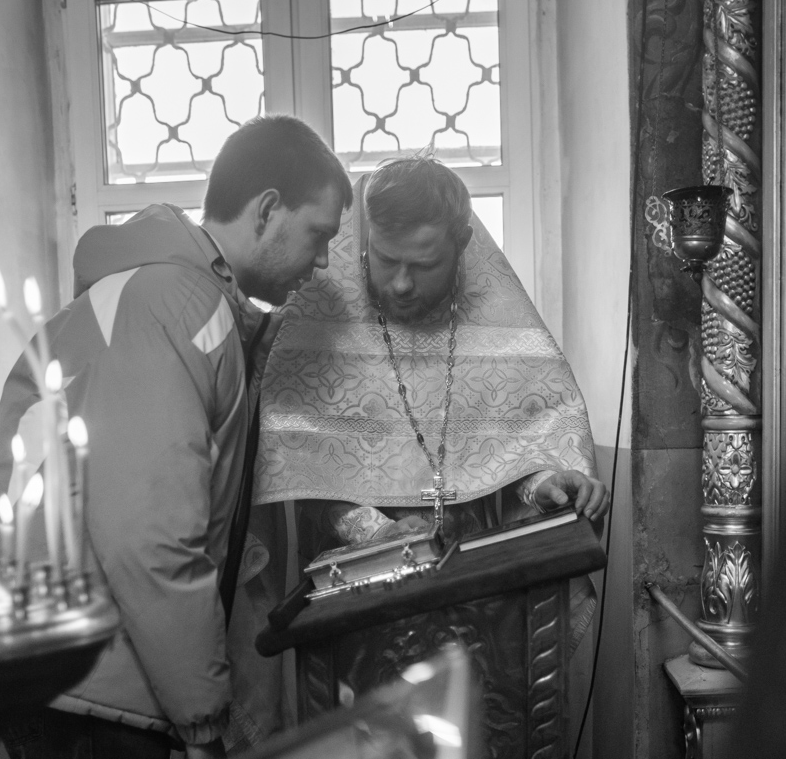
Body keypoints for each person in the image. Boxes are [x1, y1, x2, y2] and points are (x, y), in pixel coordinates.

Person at [0, 114, 352, 759]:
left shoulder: (159, 294)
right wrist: (202, 720)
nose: (321, 263)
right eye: (318, 235)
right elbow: (148, 535)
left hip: (67, 663)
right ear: (267, 209)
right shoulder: (177, 305)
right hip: (94, 678)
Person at [233, 156, 609, 724]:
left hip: (484, 608)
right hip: (355, 610)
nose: (402, 283)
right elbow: (303, 473)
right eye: (385, 260)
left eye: (425, 264)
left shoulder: (500, 329)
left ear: (462, 248)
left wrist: (545, 484)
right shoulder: (320, 325)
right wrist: (379, 533)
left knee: (487, 756)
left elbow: (508, 451)